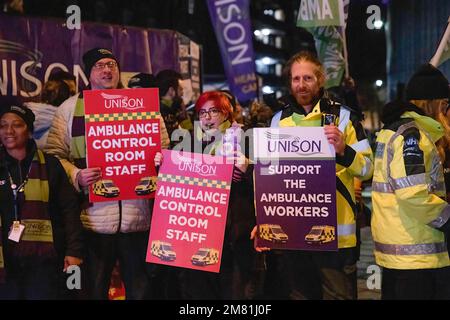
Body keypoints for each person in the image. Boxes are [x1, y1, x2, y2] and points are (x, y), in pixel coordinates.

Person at [45, 48, 169, 300]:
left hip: (137, 220)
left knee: (140, 292)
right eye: (100, 65)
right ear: (89, 73)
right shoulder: (69, 109)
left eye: (112, 64)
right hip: (93, 221)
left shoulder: (142, 106)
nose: (107, 69)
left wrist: (160, 159)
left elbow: (164, 149)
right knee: (94, 291)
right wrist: (77, 175)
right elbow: (55, 156)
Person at [258, 51, 373, 300]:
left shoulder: (344, 118)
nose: (301, 85)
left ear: (320, 79)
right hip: (294, 233)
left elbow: (368, 168)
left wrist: (343, 149)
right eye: (296, 78)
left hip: (335, 237)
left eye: (308, 78)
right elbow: (270, 176)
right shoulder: (278, 121)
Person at [155, 91, 257, 299]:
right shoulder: (189, 140)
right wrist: (162, 165)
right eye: (202, 113)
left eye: (213, 111)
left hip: (235, 233)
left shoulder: (247, 137)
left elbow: (268, 180)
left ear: (227, 113)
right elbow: (176, 180)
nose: (207, 118)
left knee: (235, 292)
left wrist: (249, 168)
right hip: (200, 233)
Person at [0, 104, 83, 299]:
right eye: (3, 125)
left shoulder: (51, 165)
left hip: (44, 262)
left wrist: (74, 251)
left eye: (17, 125)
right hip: (6, 263)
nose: (9, 131)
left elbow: (69, 210)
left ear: (29, 132)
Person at [371, 99, 450, 300]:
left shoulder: (393, 131)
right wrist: (447, 219)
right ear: (437, 103)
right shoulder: (410, 135)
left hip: (399, 248)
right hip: (416, 250)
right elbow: (413, 194)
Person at [25, 72, 77, 149]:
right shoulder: (67, 121)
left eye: (73, 93)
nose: (71, 97)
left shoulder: (26, 114)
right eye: (66, 91)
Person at [156, 69, 193, 141]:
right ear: (171, 91)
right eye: (180, 89)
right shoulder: (159, 112)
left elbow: (190, 132)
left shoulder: (177, 107)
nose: (182, 93)